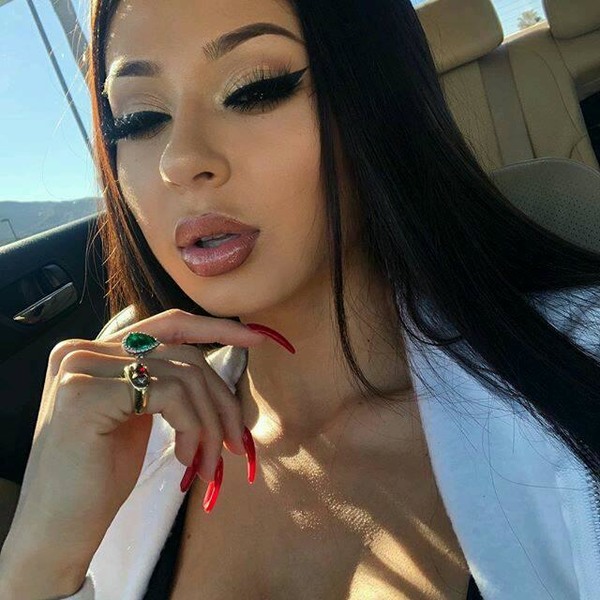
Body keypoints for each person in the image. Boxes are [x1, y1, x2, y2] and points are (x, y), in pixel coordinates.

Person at [1, 0, 600, 598]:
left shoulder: (578, 368)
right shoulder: (128, 446)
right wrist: (34, 563)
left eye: (254, 89)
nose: (178, 161)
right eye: (138, 119)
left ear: (376, 95)